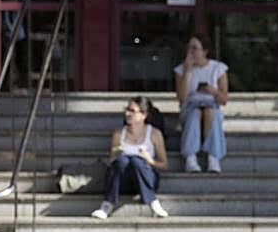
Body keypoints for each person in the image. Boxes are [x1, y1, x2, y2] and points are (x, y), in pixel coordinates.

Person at [91, 97, 169, 220]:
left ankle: (153, 202)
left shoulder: (154, 134)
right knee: (123, 161)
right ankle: (107, 204)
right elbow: (112, 161)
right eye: (127, 110)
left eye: (132, 111)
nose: (127, 114)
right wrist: (117, 154)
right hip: (124, 181)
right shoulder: (118, 134)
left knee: (136, 161)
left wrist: (149, 160)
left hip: (147, 178)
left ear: (143, 114)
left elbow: (164, 164)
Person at [174, 33, 228, 173]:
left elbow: (224, 100)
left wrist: (213, 91)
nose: (190, 52)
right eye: (189, 48)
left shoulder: (218, 68)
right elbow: (181, 98)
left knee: (210, 111)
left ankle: (213, 157)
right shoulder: (181, 70)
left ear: (205, 51)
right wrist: (187, 71)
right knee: (196, 112)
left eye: (195, 48)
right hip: (190, 107)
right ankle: (190, 157)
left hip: (212, 105)